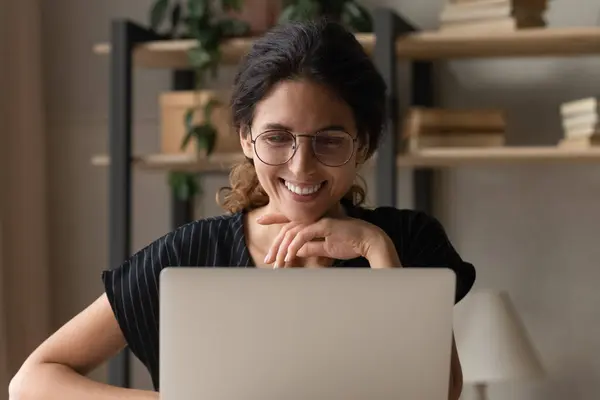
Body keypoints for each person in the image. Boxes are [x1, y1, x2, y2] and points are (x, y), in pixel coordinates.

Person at [9, 18, 475, 400]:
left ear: (364, 144)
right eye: (277, 137)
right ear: (246, 139)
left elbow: (443, 392)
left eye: (329, 140)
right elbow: (32, 380)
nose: (301, 165)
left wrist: (377, 251)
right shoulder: (190, 254)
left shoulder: (409, 241)